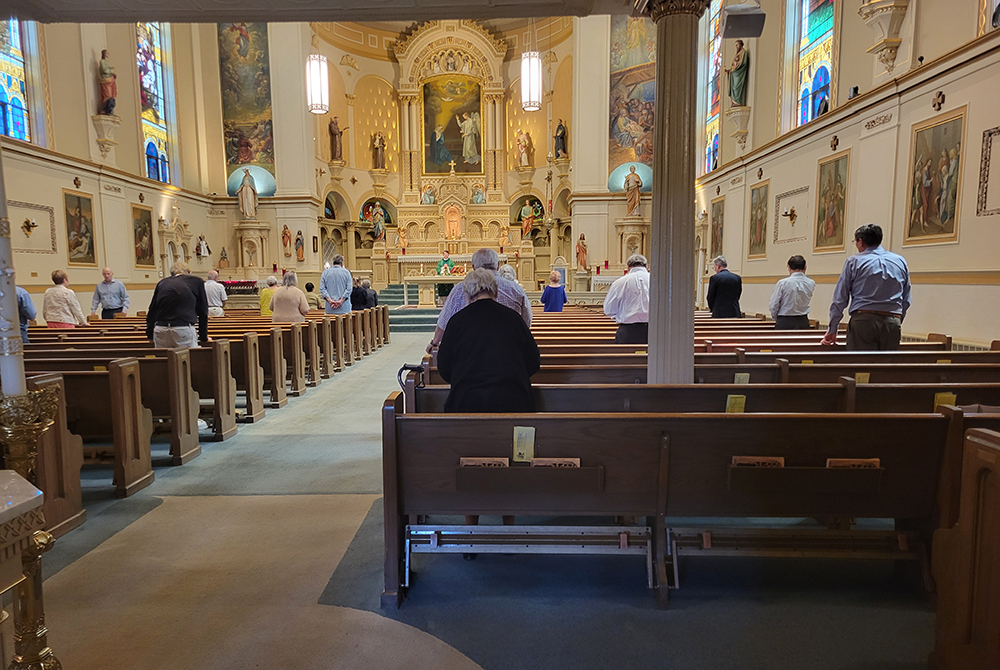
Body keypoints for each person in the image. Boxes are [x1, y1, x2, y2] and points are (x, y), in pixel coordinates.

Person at [437, 269, 540, 413]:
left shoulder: (457, 321)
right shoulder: (513, 318)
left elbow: (444, 366)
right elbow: (533, 361)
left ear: (467, 294)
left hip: (466, 402)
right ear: (495, 291)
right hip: (514, 401)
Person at [822, 223, 911, 351]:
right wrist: (896, 319)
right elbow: (906, 298)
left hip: (863, 321)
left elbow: (840, 299)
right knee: (887, 368)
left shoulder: (854, 262)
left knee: (861, 367)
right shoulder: (900, 261)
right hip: (892, 321)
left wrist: (832, 329)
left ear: (860, 241)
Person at [427, 248, 532, 354]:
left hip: (468, 352)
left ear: (473, 266)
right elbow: (526, 319)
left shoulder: (459, 289)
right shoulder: (515, 289)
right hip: (507, 351)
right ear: (498, 265)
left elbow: (444, 321)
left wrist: (434, 343)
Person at [145, 262, 209, 348]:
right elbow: (203, 311)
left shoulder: (162, 283)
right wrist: (203, 337)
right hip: (182, 328)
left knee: (164, 359)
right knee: (188, 359)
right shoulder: (196, 281)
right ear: (189, 272)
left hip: (161, 329)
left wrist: (150, 335)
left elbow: (152, 310)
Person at [603, 254, 650, 344]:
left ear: (628, 267)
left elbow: (609, 310)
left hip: (628, 331)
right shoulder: (657, 280)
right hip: (654, 331)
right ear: (646, 266)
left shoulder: (619, 283)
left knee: (626, 358)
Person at [768, 255, 815, 329]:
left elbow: (774, 304)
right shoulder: (811, 283)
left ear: (789, 268)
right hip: (803, 321)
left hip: (785, 321)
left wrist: (777, 318)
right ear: (805, 268)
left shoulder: (783, 283)